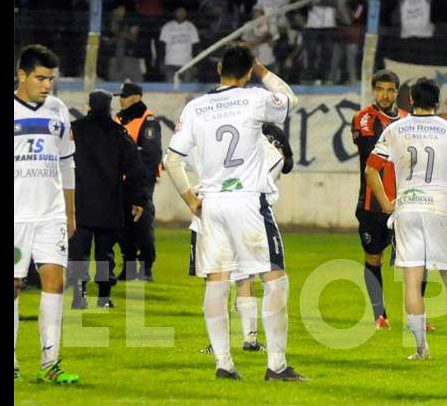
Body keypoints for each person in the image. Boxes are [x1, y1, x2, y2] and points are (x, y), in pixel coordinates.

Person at [164, 45, 307, 381]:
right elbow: (289, 98)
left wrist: (191, 201)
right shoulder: (255, 98)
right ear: (247, 73)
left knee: (217, 283)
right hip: (247, 201)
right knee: (275, 280)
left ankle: (224, 365)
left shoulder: (195, 107)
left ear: (218, 68)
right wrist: (263, 72)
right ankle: (276, 365)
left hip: (211, 203)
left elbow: (172, 160)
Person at [364, 78, 447, 361]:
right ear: (437, 102)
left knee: (412, 282)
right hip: (439, 209)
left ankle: (421, 349)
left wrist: (387, 203)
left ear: (411, 100)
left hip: (407, 209)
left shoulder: (395, 128)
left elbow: (371, 170)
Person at [193, 122, 296, 354]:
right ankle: (253, 342)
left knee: (217, 280)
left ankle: (221, 346)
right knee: (250, 277)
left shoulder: (220, 135)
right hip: (249, 215)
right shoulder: (268, 147)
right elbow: (284, 162)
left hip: (214, 212)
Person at [13, 44, 79, 384]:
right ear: (21, 75)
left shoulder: (57, 109)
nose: (46, 85)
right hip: (15, 217)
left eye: (51, 79)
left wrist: (70, 212)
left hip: (50, 214)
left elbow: (67, 163)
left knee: (55, 281)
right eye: (40, 78)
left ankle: (50, 363)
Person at [67, 90, 151, 310]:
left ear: (89, 106)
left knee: (79, 253)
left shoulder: (74, 131)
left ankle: (79, 295)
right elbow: (135, 170)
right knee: (105, 254)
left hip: (80, 204)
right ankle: (104, 296)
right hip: (109, 204)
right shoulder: (118, 133)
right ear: (109, 107)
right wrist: (138, 200)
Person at [351, 71, 422, 330]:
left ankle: (417, 317)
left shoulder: (407, 119)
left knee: (416, 259)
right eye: (380, 89)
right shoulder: (363, 119)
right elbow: (373, 152)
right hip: (372, 204)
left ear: (397, 92)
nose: (385, 95)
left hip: (403, 202)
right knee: (374, 257)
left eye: (390, 90)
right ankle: (380, 316)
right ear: (373, 91)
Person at [114, 82, 163, 281]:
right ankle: (128, 266)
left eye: (124, 96)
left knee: (141, 223)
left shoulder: (148, 120)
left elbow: (151, 156)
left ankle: (146, 267)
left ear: (136, 97)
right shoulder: (118, 119)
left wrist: (138, 180)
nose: (120, 99)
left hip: (141, 181)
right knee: (122, 226)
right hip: (120, 181)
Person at [159, 7, 201, 83]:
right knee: (169, 86)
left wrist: (196, 64)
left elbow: (196, 46)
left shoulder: (191, 27)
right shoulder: (167, 26)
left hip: (187, 63)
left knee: (187, 87)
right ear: (175, 13)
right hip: (170, 63)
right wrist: (161, 62)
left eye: (183, 12)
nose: (181, 14)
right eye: (179, 12)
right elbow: (162, 46)